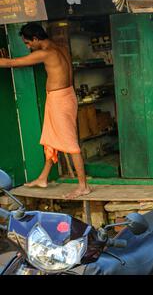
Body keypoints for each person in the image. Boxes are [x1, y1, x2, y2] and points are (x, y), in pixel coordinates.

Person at [0, 23, 90, 199]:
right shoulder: (61, 47)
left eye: (28, 43)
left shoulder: (45, 53)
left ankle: (83, 186)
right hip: (64, 96)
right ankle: (43, 178)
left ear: (35, 38)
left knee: (71, 145)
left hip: (60, 100)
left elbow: (13, 63)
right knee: (50, 138)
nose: (28, 47)